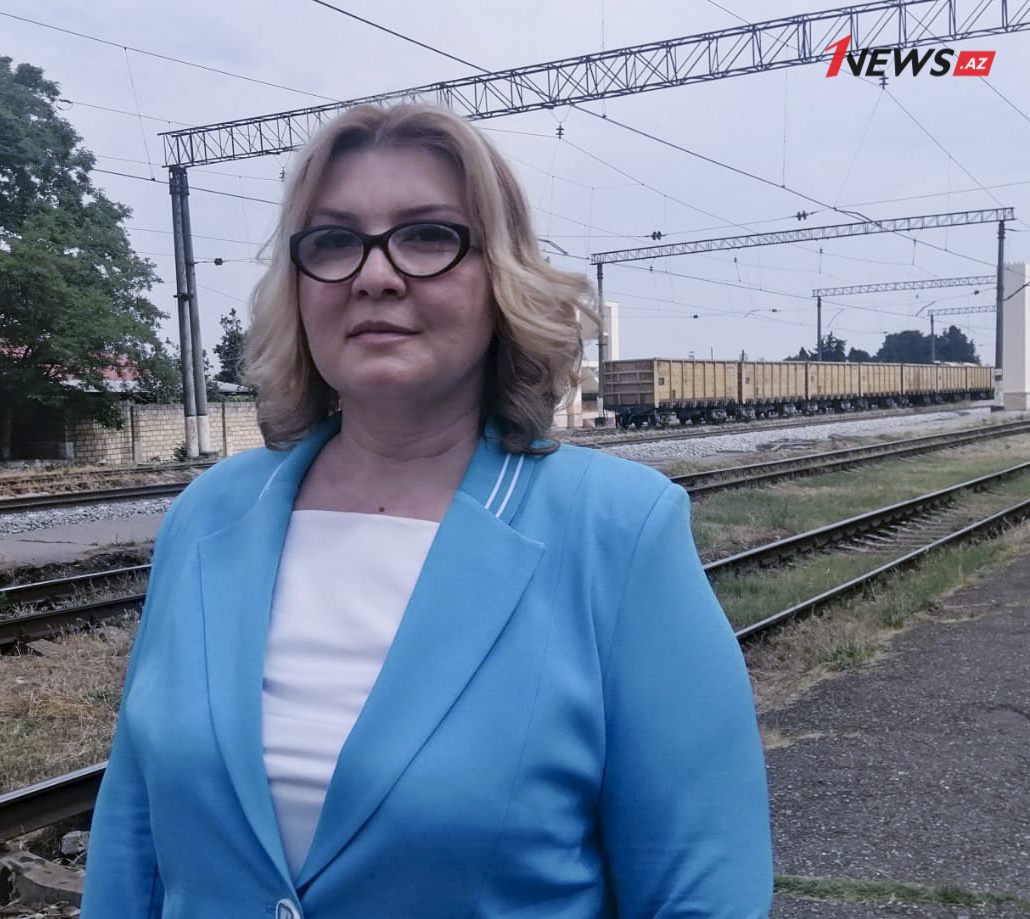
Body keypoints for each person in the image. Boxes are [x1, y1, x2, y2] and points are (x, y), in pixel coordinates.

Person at [81, 103, 772, 918]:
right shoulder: (209, 518)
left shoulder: (620, 531)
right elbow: (130, 852)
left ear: (501, 277)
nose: (375, 275)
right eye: (333, 241)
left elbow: (700, 891)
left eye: (427, 236)